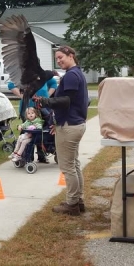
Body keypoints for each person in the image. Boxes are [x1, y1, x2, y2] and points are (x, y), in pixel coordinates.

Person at [35, 46, 89, 216]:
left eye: (61, 57)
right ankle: (78, 200)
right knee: (74, 164)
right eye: (56, 58)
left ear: (71, 55)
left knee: (67, 167)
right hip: (73, 124)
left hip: (70, 126)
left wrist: (45, 101)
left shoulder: (72, 75)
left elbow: (66, 101)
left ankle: (72, 204)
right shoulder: (77, 73)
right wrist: (56, 120)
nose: (58, 60)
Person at [8, 76, 57, 163]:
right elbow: (11, 84)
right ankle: (27, 157)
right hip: (28, 110)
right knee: (28, 132)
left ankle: (41, 156)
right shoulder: (25, 75)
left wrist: (48, 95)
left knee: (40, 132)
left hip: (43, 109)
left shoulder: (43, 75)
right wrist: (22, 96)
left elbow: (53, 83)